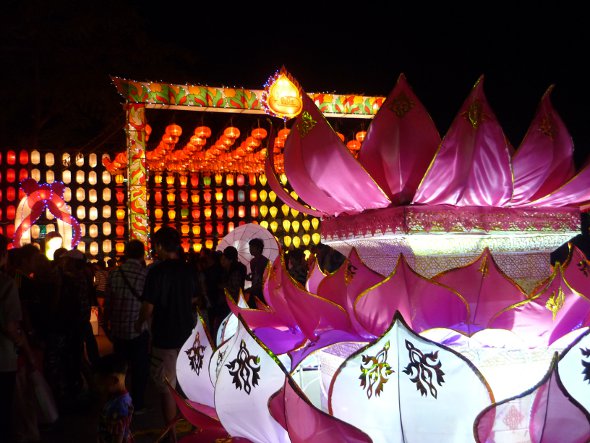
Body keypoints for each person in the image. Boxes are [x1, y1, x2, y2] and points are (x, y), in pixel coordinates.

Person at [135, 226, 197, 443]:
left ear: (160, 245)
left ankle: (170, 435)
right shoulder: (189, 270)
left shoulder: (156, 272)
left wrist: (139, 322)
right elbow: (193, 301)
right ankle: (195, 428)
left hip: (165, 336)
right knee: (189, 385)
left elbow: (148, 306)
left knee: (167, 387)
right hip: (187, 335)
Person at [104, 239, 150, 414]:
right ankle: (137, 404)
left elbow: (108, 303)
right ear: (142, 254)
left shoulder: (114, 274)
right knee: (140, 368)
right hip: (138, 329)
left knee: (119, 368)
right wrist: (142, 323)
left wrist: (106, 324)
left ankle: (118, 404)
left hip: (118, 328)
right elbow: (148, 304)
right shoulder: (145, 274)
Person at [0, 235, 36, 443]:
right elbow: (11, 326)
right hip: (3, 356)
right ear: (4, 255)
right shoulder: (8, 284)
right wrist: (26, 346)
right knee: (5, 407)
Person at [94, 352, 134, 443]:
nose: (99, 386)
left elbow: (119, 433)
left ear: (114, 380)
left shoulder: (121, 405)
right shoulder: (117, 396)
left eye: (101, 382)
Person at [244, 238, 269, 307]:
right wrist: (250, 278)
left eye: (252, 247)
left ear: (258, 249)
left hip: (262, 292)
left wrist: (251, 289)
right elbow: (256, 277)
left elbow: (263, 279)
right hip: (254, 291)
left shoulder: (264, 262)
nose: (250, 249)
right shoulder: (252, 261)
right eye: (250, 247)